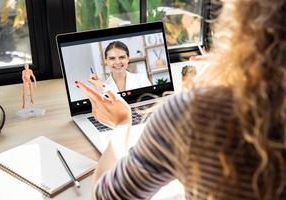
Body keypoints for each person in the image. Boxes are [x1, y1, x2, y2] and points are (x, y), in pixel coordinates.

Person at [76, 0, 286, 199]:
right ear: (105, 62)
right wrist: (235, 70)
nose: (117, 62)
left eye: (121, 57)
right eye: (112, 58)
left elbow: (107, 196)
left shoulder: (191, 115)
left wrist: (122, 123)